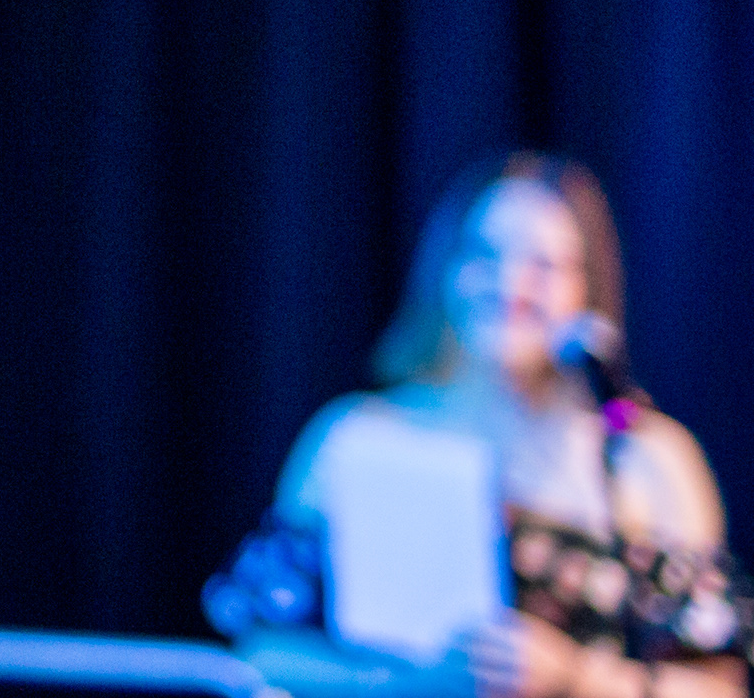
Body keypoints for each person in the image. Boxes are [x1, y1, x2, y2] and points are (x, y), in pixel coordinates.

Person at [210, 156, 743, 698]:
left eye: (544, 265)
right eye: (484, 254)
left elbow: (720, 686)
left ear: (589, 287)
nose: (510, 283)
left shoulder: (646, 456)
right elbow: (261, 654)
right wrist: (407, 683)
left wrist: (575, 678)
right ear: (443, 271)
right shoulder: (356, 437)